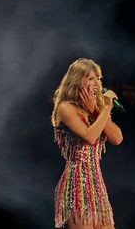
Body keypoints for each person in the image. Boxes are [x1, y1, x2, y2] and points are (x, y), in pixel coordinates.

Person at [51, 58, 123, 229]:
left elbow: (117, 138)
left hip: (97, 186)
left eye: (99, 78)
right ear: (77, 80)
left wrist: (98, 111)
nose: (97, 83)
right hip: (76, 187)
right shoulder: (65, 107)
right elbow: (89, 137)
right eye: (91, 78)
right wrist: (105, 109)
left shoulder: (96, 109)